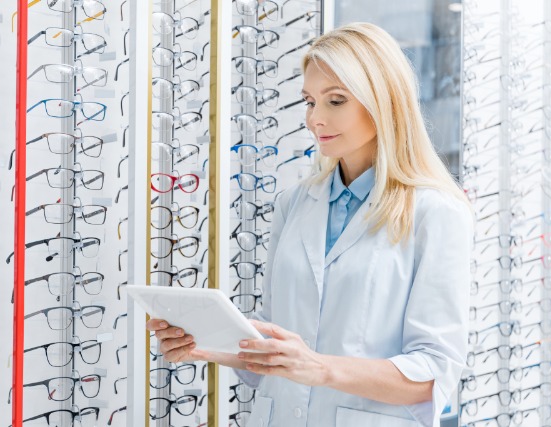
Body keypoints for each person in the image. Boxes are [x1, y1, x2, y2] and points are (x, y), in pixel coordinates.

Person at [147, 22, 473, 427]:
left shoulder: (436, 213)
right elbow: (276, 352)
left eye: (335, 100)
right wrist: (204, 345)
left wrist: (320, 368)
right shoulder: (294, 204)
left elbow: (433, 375)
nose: (315, 118)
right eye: (309, 101)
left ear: (383, 103)